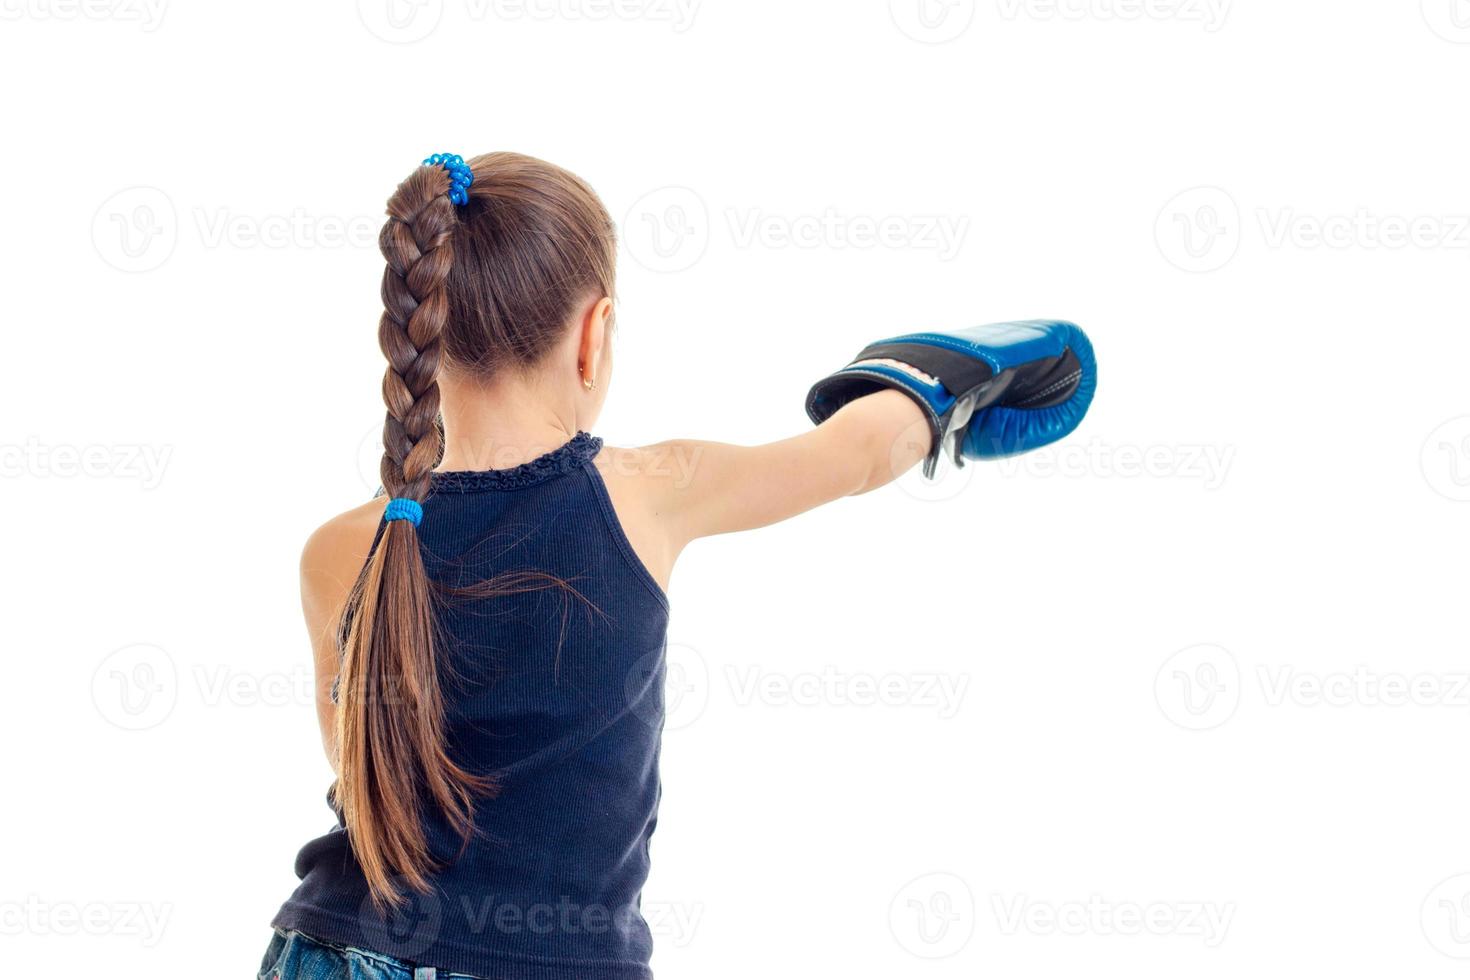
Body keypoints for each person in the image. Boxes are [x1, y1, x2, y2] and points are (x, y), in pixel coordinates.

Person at [261, 150, 1095, 980]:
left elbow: (359, 770)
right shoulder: (645, 491)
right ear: (594, 336)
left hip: (325, 949)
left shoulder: (340, 548)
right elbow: (860, 454)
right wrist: (941, 377)